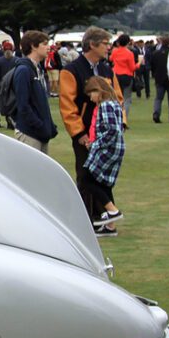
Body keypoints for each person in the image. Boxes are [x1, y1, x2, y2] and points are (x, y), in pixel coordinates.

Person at [59, 26, 123, 225]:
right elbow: (67, 105)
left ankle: (106, 217)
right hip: (85, 134)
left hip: (106, 133)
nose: (108, 48)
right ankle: (88, 219)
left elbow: (118, 97)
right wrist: (79, 133)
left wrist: (121, 124)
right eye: (105, 44)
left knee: (102, 177)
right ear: (92, 44)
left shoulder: (106, 69)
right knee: (86, 176)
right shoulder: (71, 70)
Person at [81, 77, 126, 238]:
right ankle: (110, 226)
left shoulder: (106, 105)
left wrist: (95, 144)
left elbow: (112, 131)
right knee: (104, 183)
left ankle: (113, 211)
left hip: (109, 149)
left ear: (99, 91)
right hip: (113, 147)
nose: (90, 98)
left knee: (86, 178)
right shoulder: (113, 103)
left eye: (91, 94)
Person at [9, 30, 57, 153]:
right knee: (31, 171)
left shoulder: (38, 69)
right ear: (33, 46)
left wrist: (49, 126)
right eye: (44, 44)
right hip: (29, 133)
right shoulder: (24, 70)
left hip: (40, 133)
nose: (48, 47)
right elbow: (23, 105)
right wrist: (39, 125)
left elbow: (41, 103)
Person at [110, 34, 137, 122]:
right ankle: (124, 119)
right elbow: (132, 67)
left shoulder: (115, 51)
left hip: (116, 75)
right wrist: (139, 63)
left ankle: (116, 116)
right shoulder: (129, 53)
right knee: (127, 98)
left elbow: (110, 59)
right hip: (126, 75)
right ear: (128, 42)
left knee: (116, 97)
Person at [148, 34, 169, 123]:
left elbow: (152, 65)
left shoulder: (156, 53)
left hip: (159, 77)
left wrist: (155, 74)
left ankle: (156, 114)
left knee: (158, 98)